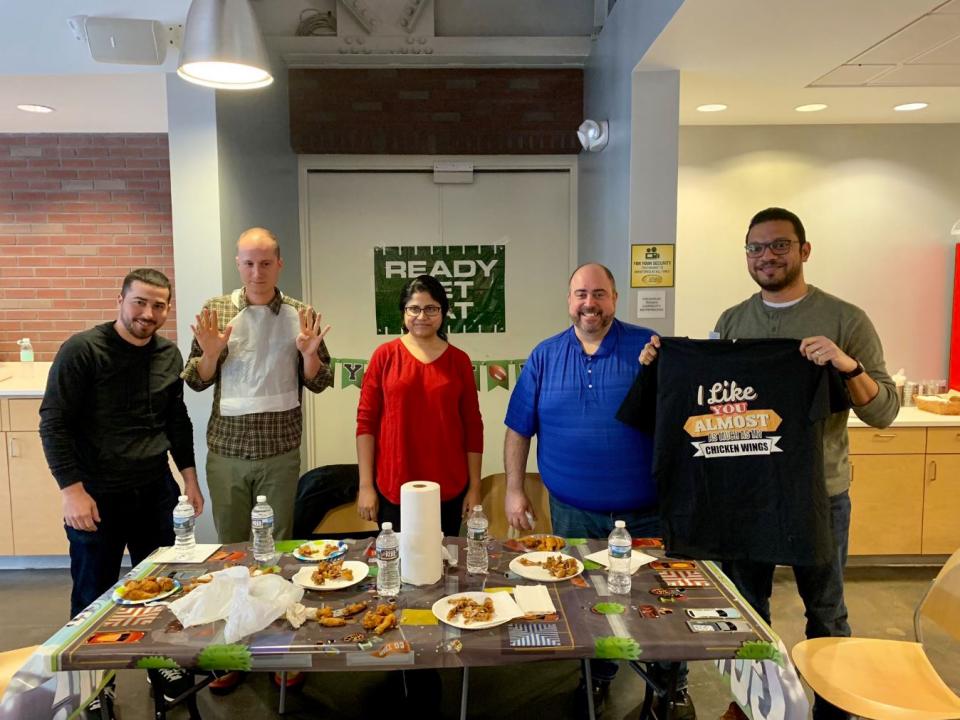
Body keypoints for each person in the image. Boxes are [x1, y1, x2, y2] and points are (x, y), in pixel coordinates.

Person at [640, 207, 898, 720]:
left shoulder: (846, 319)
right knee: (746, 611)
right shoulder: (733, 321)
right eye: (756, 248)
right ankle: (755, 704)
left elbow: (884, 410)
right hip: (749, 494)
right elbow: (713, 402)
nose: (767, 256)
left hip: (818, 495)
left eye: (779, 245)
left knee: (826, 611)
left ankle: (833, 708)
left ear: (804, 250)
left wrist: (846, 365)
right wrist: (664, 363)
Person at [503, 263, 693, 719]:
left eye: (600, 294)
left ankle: (673, 684)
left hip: (648, 511)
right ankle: (598, 677)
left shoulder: (649, 348)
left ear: (615, 299)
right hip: (574, 512)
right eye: (581, 294)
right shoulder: (545, 355)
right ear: (569, 300)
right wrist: (514, 489)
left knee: (660, 600)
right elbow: (517, 429)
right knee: (585, 600)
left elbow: (681, 417)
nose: (590, 304)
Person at [39, 268, 203, 716]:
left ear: (167, 309)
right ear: (121, 300)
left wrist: (189, 478)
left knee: (166, 586)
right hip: (96, 496)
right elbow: (53, 422)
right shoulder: (82, 351)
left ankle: (164, 663)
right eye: (140, 302)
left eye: (159, 306)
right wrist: (71, 491)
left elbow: (176, 421)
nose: (148, 314)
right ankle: (94, 681)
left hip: (155, 490)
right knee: (94, 594)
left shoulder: (168, 354)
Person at [182, 227, 332, 694]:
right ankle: (232, 653)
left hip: (280, 452)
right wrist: (209, 356)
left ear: (279, 264)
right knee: (232, 555)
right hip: (227, 452)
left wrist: (309, 356)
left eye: (265, 263)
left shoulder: (301, 314)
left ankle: (281, 650)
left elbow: (319, 380)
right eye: (248, 263)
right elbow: (197, 380)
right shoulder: (216, 310)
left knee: (278, 552)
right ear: (237, 263)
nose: (257, 271)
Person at [356, 274, 483, 538]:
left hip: (449, 487)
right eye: (413, 308)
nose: (421, 316)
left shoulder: (459, 361)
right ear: (403, 312)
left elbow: (473, 427)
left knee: (444, 563)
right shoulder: (384, 356)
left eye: (431, 309)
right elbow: (366, 423)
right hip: (394, 486)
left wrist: (475, 488)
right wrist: (366, 485)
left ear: (443, 312)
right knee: (399, 565)